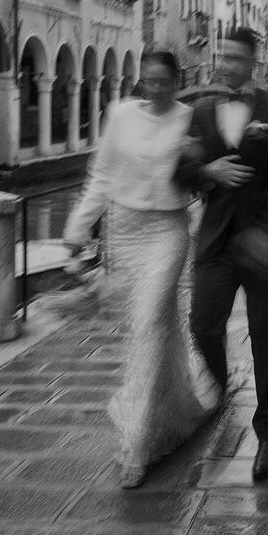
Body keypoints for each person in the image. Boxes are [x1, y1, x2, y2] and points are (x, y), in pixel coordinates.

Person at [62, 49, 217, 488]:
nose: (153, 89)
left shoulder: (190, 119)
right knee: (151, 329)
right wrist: (77, 229)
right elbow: (102, 175)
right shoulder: (120, 114)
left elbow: (199, 175)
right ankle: (172, 408)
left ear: (176, 81)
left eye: (162, 82)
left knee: (150, 323)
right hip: (124, 231)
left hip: (167, 232)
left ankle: (136, 442)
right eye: (147, 81)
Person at [174, 26, 268, 483]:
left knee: (265, 335)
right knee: (203, 324)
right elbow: (183, 169)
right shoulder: (201, 111)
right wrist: (207, 169)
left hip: (262, 240)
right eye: (222, 55)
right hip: (214, 239)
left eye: (235, 58)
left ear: (253, 62)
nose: (226, 64)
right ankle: (220, 388)